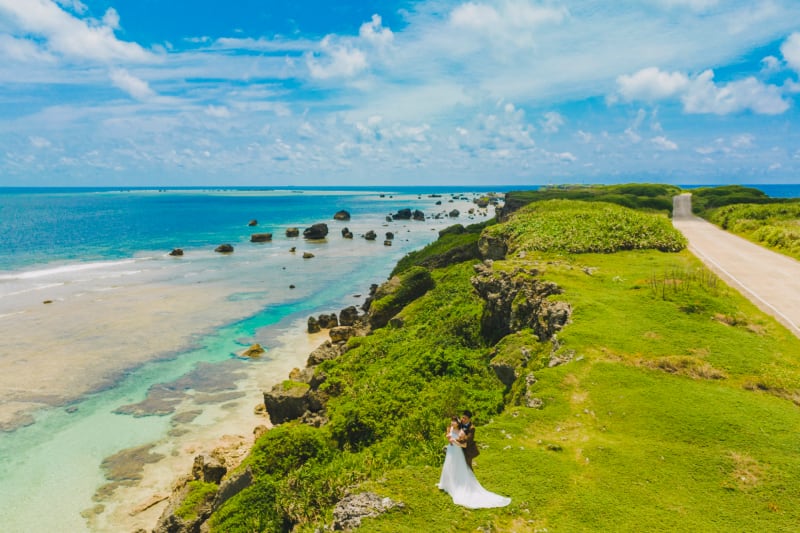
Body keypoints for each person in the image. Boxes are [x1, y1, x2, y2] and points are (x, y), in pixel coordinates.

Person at [437, 413, 511, 509]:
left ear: (469, 419)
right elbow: (452, 428)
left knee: (465, 467)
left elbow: (467, 441)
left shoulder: (471, 428)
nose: (463, 419)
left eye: (465, 418)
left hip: (466, 450)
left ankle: (466, 485)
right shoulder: (459, 425)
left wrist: (456, 440)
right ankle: (450, 483)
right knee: (452, 466)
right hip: (456, 449)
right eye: (462, 417)